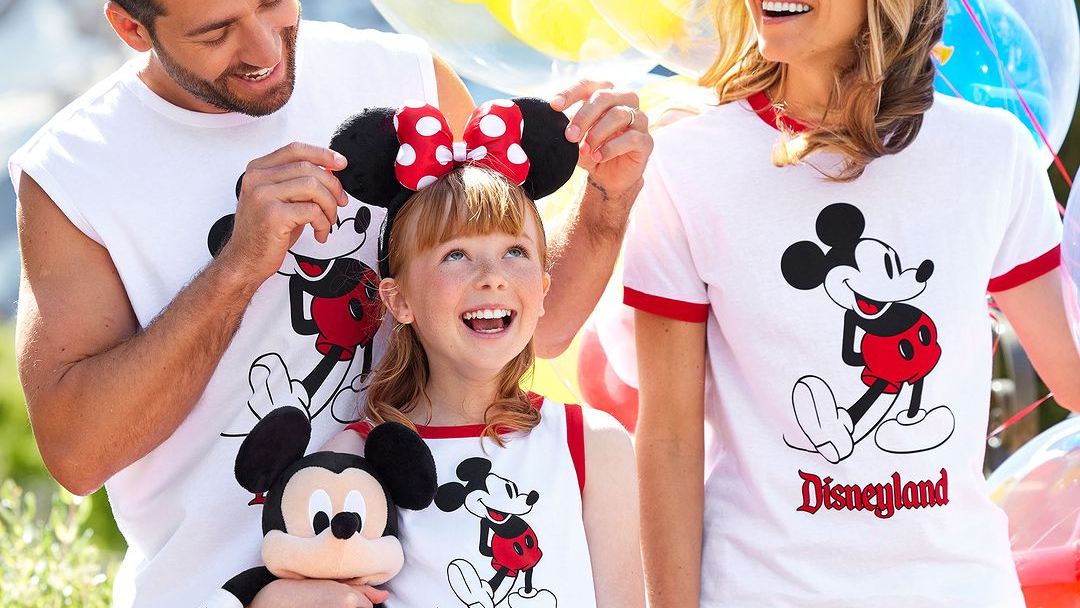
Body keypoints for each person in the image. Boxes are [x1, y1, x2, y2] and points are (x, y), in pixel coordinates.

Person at [7, 1, 652, 606]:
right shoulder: (74, 170)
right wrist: (239, 266)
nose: (264, 48)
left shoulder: (403, 76)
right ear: (130, 27)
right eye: (216, 32)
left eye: (272, 2)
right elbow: (79, 456)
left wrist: (608, 198)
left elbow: (527, 325)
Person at [623, 0, 1080, 606]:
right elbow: (670, 439)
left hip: (960, 589)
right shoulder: (687, 167)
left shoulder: (994, 153)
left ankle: (899, 423)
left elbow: (1071, 375)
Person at [318, 98, 643, 608]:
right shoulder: (353, 460)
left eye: (515, 251)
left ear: (542, 287)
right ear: (398, 300)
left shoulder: (593, 445)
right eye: (456, 254)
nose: (492, 276)